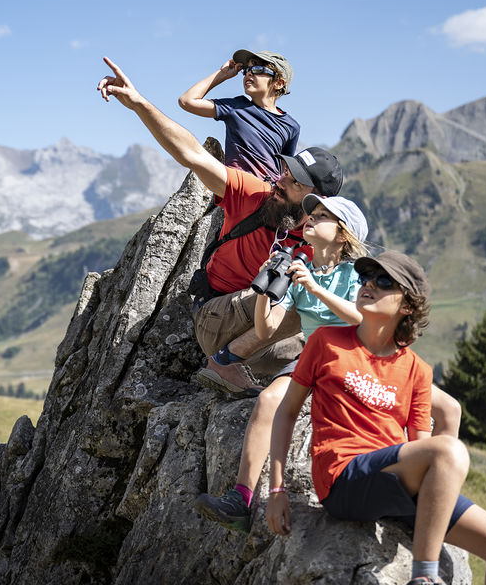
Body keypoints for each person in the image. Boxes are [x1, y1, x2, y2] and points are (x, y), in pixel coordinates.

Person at [194, 203, 461, 533]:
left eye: (323, 217)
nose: (311, 219)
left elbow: (362, 318)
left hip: (366, 357)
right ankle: (242, 499)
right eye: (313, 214)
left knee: (450, 409)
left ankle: (437, 496)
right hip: (316, 356)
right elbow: (266, 330)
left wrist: (315, 289)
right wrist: (264, 290)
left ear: (342, 234)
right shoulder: (299, 273)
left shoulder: (356, 275)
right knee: (268, 400)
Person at [265, 251, 486, 585]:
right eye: (366, 278)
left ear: (408, 306)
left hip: (392, 484)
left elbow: (421, 450)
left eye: (384, 281)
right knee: (450, 450)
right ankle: (424, 576)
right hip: (343, 480)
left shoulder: (418, 370)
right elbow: (286, 413)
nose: (369, 285)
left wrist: (436, 502)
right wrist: (277, 490)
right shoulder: (326, 342)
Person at [98, 57, 344, 395]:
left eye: (295, 181)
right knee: (306, 299)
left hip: (260, 332)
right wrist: (139, 103)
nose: (281, 180)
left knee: (331, 328)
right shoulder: (256, 195)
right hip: (216, 317)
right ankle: (223, 364)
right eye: (286, 172)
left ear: (316, 199)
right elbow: (192, 154)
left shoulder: (319, 238)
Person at [178, 49, 299, 182]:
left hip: (267, 191)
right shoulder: (235, 107)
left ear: (279, 83)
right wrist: (222, 74)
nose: (249, 73)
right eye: (246, 70)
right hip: (237, 187)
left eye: (257, 69)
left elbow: (284, 172)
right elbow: (187, 101)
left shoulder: (291, 126)